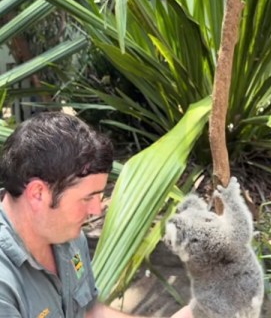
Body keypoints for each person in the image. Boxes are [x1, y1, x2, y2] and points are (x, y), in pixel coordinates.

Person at [0, 112, 191, 318]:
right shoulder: (5, 285)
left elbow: (90, 312)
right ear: (38, 193)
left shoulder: (67, 237)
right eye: (87, 198)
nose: (96, 210)